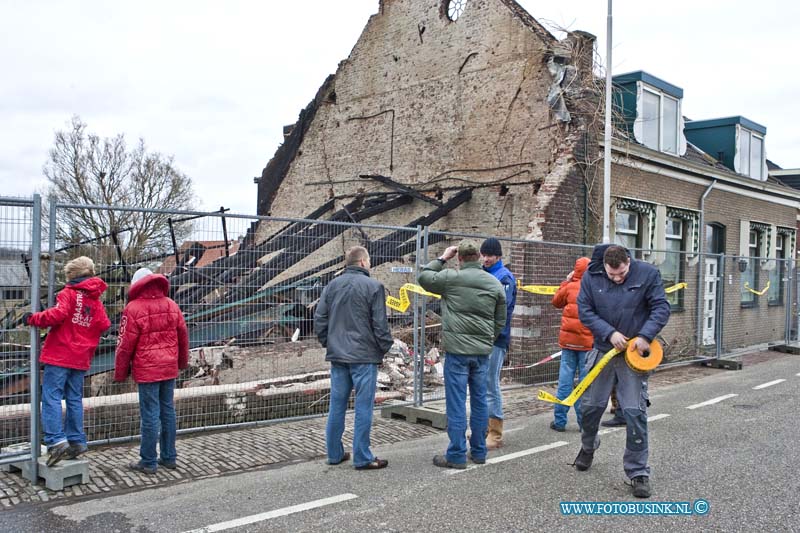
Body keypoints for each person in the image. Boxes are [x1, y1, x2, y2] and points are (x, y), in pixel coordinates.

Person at [574, 244, 670, 498]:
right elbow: (584, 311)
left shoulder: (648, 274)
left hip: (633, 354)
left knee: (633, 411)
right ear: (604, 266)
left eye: (622, 273)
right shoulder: (591, 277)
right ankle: (588, 445)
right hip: (602, 350)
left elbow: (661, 307)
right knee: (591, 408)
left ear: (629, 261)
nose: (617, 278)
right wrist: (609, 332)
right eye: (612, 274)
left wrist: (646, 335)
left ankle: (638, 472)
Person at [418, 241, 506, 469]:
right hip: (481, 353)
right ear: (478, 257)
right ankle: (478, 450)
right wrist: (487, 339)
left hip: (457, 352)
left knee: (456, 403)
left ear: (459, 259)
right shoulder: (494, 283)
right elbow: (500, 319)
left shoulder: (450, 278)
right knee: (479, 401)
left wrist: (442, 258)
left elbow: (424, 277)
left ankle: (456, 454)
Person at [24, 256, 110, 466]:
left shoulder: (68, 294)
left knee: (51, 396)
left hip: (61, 353)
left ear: (71, 275)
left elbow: (58, 315)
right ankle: (77, 440)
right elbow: (105, 324)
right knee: (74, 398)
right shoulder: (95, 301)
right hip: (81, 357)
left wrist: (34, 318)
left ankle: (56, 441)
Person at [314, 246, 394, 470]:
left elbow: (319, 318)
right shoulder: (374, 287)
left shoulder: (332, 285)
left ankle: (334, 453)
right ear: (362, 262)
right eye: (368, 260)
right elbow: (380, 324)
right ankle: (362, 457)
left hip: (338, 355)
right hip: (364, 356)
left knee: (337, 405)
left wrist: (329, 343)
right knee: (363, 406)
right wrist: (385, 348)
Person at [114, 268, 189, 474]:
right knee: (168, 411)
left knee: (150, 414)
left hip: (147, 369)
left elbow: (124, 345)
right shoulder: (171, 305)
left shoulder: (133, 308)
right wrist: (182, 363)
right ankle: (169, 456)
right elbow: (183, 337)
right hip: (169, 366)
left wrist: (120, 372)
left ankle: (148, 461)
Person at [479, 237, 516, 448]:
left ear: (498, 256)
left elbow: (500, 309)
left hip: (496, 338)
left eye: (489, 255)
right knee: (482, 383)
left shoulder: (504, 278)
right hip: (482, 337)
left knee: (491, 384)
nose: (485, 258)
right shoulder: (485, 274)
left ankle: (496, 433)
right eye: (483, 255)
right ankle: (484, 428)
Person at [550, 256, 593, 432]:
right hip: (586, 344)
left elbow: (556, 302)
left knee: (564, 382)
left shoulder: (568, 287)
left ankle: (560, 421)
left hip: (568, 343)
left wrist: (565, 282)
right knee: (584, 384)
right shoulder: (593, 288)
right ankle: (583, 423)